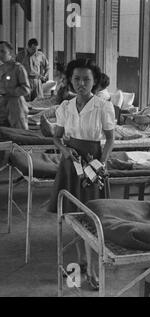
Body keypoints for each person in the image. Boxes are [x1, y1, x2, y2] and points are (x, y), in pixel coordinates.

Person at [47, 59, 115, 289]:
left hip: (92, 163)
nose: (81, 83)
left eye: (86, 79)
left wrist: (100, 165)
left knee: (91, 216)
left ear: (94, 82)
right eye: (77, 79)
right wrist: (65, 151)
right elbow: (57, 136)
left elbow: (110, 139)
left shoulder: (103, 106)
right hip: (70, 164)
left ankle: (94, 270)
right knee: (73, 214)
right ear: (70, 81)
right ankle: (83, 262)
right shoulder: (65, 107)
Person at [0, 41, 31, 129]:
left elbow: (26, 89)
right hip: (2, 106)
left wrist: (8, 91)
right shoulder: (1, 69)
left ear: (10, 52)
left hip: (16, 107)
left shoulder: (18, 68)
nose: (0, 54)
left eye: (3, 51)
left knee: (20, 135)